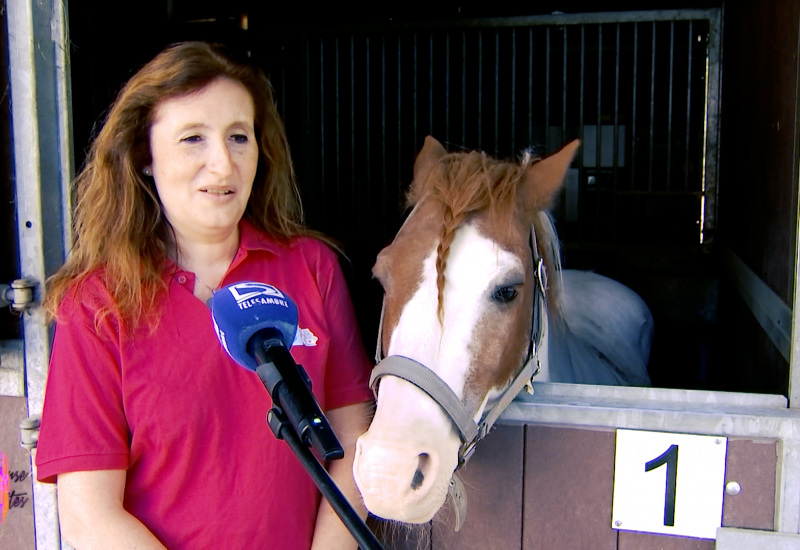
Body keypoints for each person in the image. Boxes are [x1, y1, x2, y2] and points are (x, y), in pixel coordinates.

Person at [35, 41, 375, 550]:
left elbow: (353, 442)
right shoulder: (97, 305)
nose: (223, 165)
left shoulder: (312, 268)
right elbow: (90, 518)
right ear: (144, 156)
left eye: (239, 137)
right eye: (193, 139)